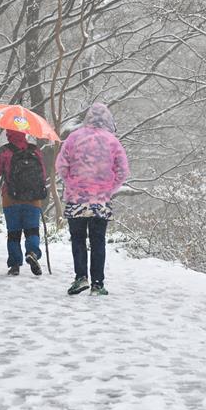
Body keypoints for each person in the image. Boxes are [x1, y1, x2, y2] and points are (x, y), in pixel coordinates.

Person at [56, 103, 129, 296]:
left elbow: (61, 166)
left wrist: (72, 182)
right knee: (98, 241)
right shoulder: (112, 141)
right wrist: (108, 188)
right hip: (100, 201)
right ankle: (97, 283)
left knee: (78, 239)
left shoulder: (73, 138)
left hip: (76, 199)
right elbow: (123, 170)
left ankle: (81, 278)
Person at [0, 129, 48, 276]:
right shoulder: (35, 150)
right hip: (33, 199)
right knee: (32, 230)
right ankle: (32, 252)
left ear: (9, 134)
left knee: (13, 233)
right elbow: (43, 174)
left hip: (11, 198)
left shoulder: (5, 151)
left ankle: (15, 264)